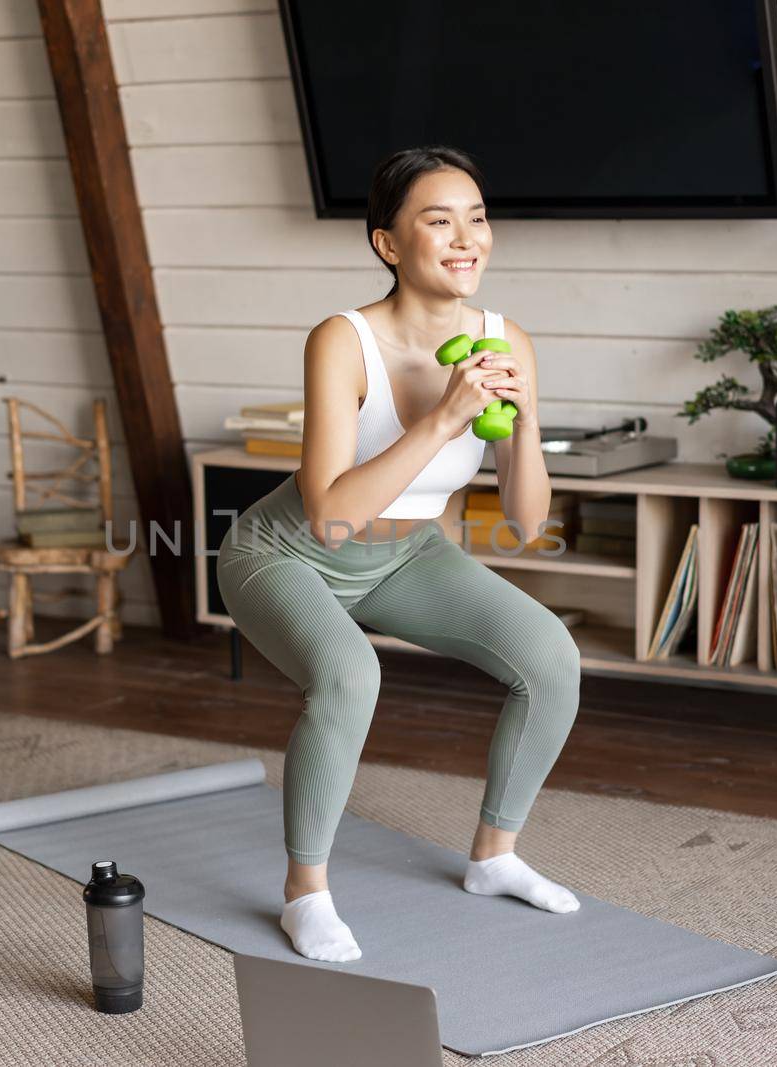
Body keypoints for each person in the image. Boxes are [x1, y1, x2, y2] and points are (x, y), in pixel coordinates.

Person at [215, 145, 583, 963]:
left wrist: (522, 422)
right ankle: (303, 894)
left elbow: (525, 524)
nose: (467, 238)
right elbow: (331, 515)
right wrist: (444, 419)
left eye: (478, 218)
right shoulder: (342, 341)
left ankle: (495, 855)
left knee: (551, 657)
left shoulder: (505, 339)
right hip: (284, 554)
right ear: (388, 244)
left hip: (408, 556)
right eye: (439, 220)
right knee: (350, 674)